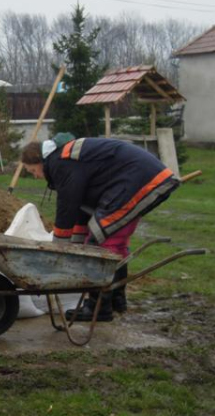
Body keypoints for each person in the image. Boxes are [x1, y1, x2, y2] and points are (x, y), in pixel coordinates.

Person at [20, 133, 180, 321]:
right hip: (138, 177)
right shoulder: (63, 159)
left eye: (33, 171)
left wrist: (58, 248)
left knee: (100, 243)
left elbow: (67, 206)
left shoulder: (60, 163)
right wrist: (75, 244)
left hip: (135, 179)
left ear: (40, 161)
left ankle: (98, 308)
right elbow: (80, 207)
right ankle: (116, 300)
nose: (37, 176)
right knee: (115, 244)